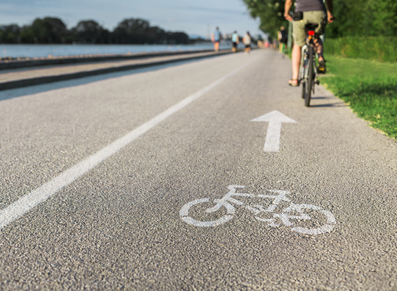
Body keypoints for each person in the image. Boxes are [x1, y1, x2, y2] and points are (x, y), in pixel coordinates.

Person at [284, 0, 334, 86]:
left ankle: (295, 78)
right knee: (316, 38)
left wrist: (286, 13)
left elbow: (289, 1)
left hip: (301, 15)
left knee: (297, 45)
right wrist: (330, 13)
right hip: (318, 14)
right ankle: (321, 58)